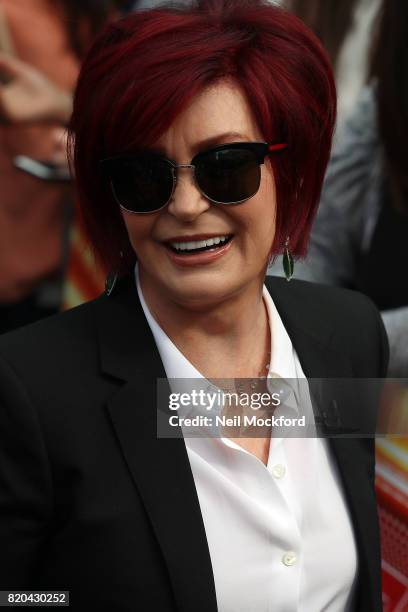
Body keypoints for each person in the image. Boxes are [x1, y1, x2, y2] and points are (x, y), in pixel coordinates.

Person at [0, 1, 388, 611]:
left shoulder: (345, 331)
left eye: (225, 167)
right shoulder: (32, 389)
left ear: (288, 172)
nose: (184, 205)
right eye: (145, 176)